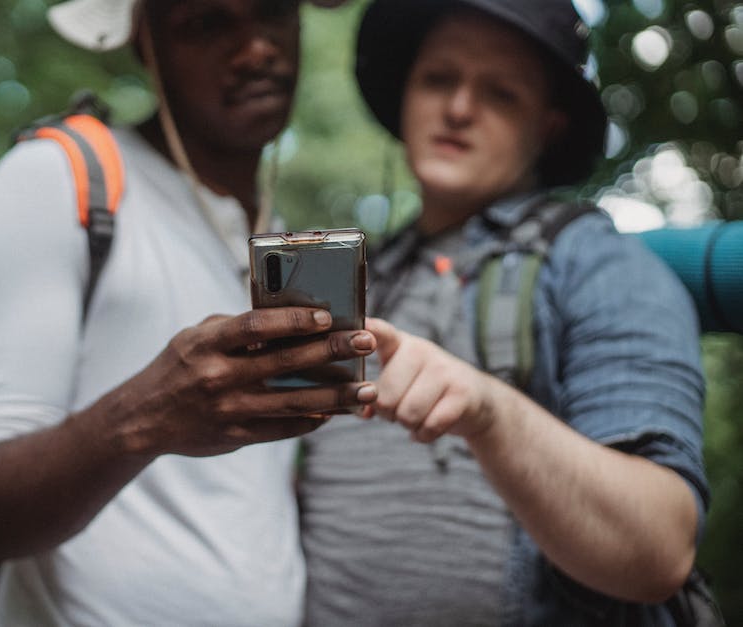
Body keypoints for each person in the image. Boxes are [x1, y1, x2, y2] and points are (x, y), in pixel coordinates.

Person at [0, 0, 374, 624]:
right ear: (147, 45)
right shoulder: (57, 178)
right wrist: (147, 420)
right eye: (207, 24)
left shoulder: (276, 245)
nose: (255, 50)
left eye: (273, 11)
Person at [299, 0, 709, 625]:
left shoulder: (603, 269)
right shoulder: (350, 277)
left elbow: (660, 550)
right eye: (438, 79)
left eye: (501, 92)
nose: (459, 108)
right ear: (406, 93)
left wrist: (489, 413)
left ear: (545, 126)